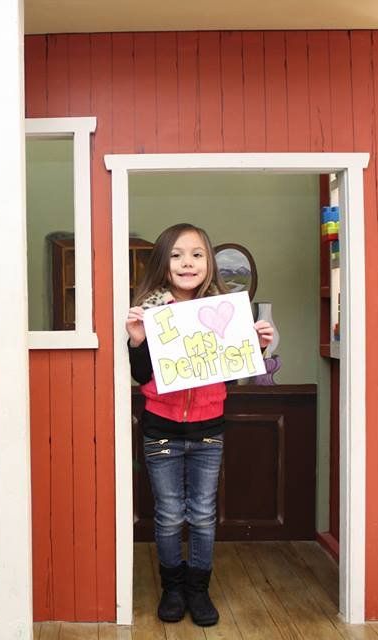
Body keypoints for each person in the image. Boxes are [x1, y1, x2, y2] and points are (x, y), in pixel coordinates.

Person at [125, 223, 273, 627]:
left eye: (196, 254)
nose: (186, 262)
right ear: (163, 263)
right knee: (170, 514)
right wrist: (138, 340)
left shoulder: (225, 308)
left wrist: (255, 348)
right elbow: (142, 377)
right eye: (176, 255)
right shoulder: (151, 311)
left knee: (203, 514)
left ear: (209, 263)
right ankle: (172, 587)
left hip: (209, 430)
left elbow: (228, 377)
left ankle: (198, 588)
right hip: (160, 429)